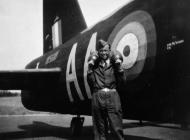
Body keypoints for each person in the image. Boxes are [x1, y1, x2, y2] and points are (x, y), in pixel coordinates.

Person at [87, 39, 125, 140]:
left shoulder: (115, 64)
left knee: (116, 127)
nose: (103, 53)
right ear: (98, 52)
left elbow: (122, 82)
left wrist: (120, 68)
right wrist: (90, 70)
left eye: (105, 50)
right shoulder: (94, 65)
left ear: (109, 51)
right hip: (98, 95)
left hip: (112, 95)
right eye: (101, 51)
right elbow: (91, 83)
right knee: (99, 129)